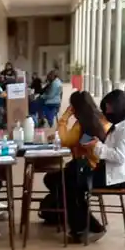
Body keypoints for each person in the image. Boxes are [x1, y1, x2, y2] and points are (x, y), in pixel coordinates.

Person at [42, 90, 109, 239]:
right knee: (54, 180)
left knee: (60, 183)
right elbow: (71, 140)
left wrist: (64, 117)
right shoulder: (99, 120)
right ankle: (63, 214)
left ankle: (79, 223)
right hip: (96, 167)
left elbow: (66, 140)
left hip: (86, 171)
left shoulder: (81, 125)